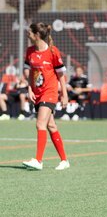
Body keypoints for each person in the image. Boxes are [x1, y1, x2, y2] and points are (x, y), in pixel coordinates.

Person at [22, 22, 70, 171]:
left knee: (40, 124)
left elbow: (61, 75)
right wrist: (29, 89)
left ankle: (38, 160)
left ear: (37, 35)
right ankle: (64, 160)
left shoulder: (53, 51)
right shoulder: (30, 51)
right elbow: (30, 73)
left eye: (29, 32)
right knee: (51, 125)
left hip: (49, 92)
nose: (27, 34)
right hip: (37, 93)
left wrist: (64, 94)